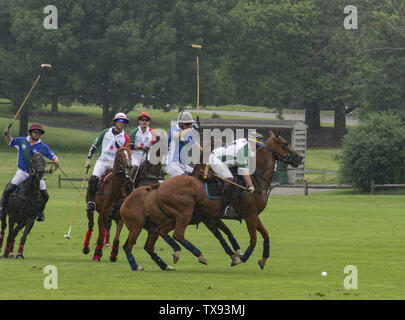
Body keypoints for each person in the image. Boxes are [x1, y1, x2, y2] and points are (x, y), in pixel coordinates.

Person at [0, 123, 59, 222]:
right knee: (9, 189)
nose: (37, 134)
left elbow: (53, 156)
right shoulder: (21, 141)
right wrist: (7, 134)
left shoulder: (42, 146)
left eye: (39, 133)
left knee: (45, 195)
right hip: (23, 172)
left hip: (35, 175)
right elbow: (10, 141)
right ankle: (2, 208)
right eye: (35, 132)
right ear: (31, 132)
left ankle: (40, 211)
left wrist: (56, 160)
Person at [207, 132, 264, 218]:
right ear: (251, 143)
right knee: (230, 180)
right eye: (256, 145)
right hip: (216, 160)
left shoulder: (243, 141)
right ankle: (225, 207)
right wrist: (251, 186)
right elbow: (244, 171)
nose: (257, 148)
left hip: (228, 161)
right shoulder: (244, 150)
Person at [85, 112, 131, 212]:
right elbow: (94, 146)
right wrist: (88, 159)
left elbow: (127, 152)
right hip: (102, 161)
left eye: (124, 122)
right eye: (120, 121)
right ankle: (91, 202)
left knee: (127, 182)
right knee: (93, 179)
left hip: (115, 164)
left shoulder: (126, 138)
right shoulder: (105, 132)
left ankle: (126, 204)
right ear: (115, 122)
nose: (122, 123)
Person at [165, 111, 200, 177]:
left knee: (197, 175)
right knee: (185, 179)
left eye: (190, 124)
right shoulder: (174, 129)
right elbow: (176, 136)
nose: (189, 126)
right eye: (187, 124)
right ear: (180, 123)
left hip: (183, 165)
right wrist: (192, 128)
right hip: (172, 164)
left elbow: (198, 146)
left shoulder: (189, 132)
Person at [129, 112, 157, 182]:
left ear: (149, 122)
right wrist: (141, 148)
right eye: (142, 120)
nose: (144, 121)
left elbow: (156, 144)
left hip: (147, 156)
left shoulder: (152, 132)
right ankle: (130, 183)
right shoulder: (134, 132)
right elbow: (131, 146)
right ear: (139, 121)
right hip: (135, 156)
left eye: (146, 120)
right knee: (135, 167)